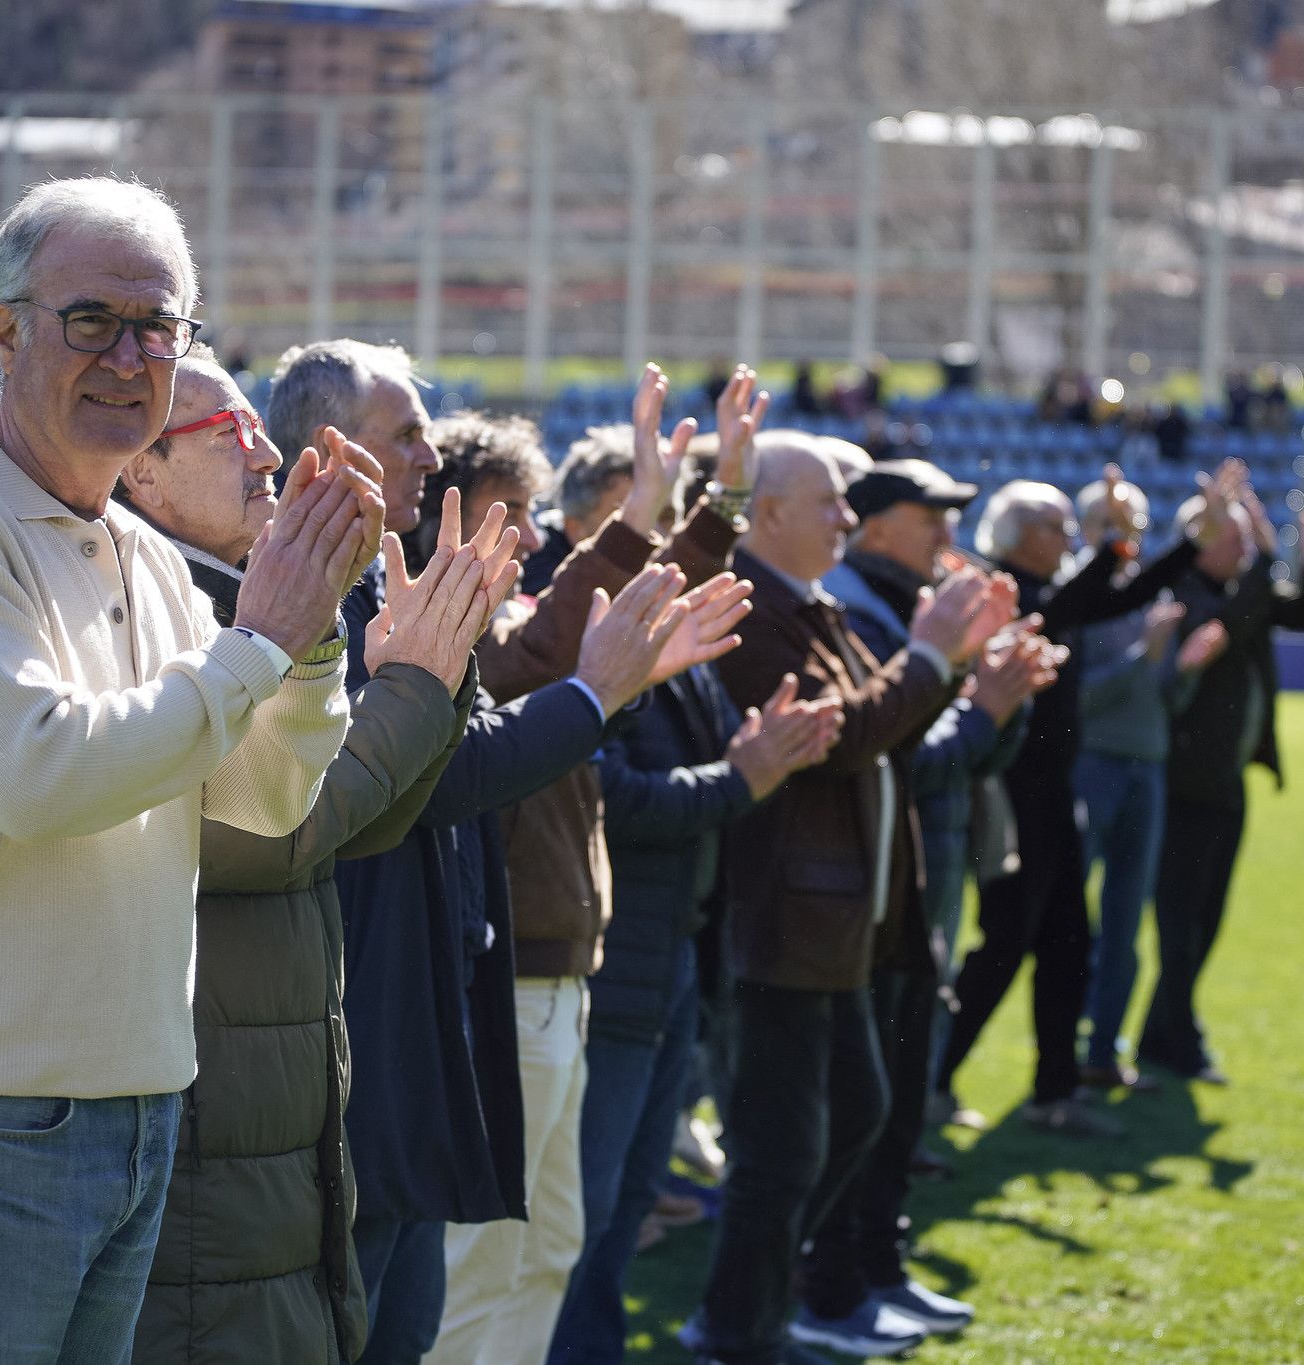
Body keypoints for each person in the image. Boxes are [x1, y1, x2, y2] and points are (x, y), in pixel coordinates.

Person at [0, 178, 372, 1362]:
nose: (131, 356)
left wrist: (312, 636)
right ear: (4, 329)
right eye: (94, 319)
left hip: (139, 1099)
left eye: (160, 329)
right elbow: (44, 777)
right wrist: (259, 643)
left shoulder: (146, 551)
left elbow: (261, 795)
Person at [266, 341, 733, 1365]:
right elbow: (448, 768)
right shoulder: (306, 596)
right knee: (383, 1310)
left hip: (441, 996)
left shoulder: (378, 589)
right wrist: (597, 692)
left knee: (454, 1289)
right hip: (374, 1007)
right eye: (407, 436)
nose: (428, 457)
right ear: (331, 445)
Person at [113, 348, 517, 1362]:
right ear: (141, 473)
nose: (260, 449)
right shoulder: (150, 612)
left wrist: (428, 673)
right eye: (227, 431)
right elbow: (276, 834)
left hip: (287, 1079)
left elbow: (367, 817)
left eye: (258, 425)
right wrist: (420, 684)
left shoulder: (259, 596)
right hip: (206, 1095)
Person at [428, 368, 758, 1365]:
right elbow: (570, 632)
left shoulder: (516, 628)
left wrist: (715, 508)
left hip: (566, 977)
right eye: (509, 517)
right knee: (482, 1263)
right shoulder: (445, 644)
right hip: (507, 981)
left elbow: (627, 608)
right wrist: (657, 506)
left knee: (551, 1246)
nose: (530, 540)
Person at [684, 430, 1002, 1365]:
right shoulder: (749, 608)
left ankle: (756, 1311)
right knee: (785, 1150)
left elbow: (877, 730)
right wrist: (936, 658)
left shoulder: (811, 604)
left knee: (852, 1115)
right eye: (829, 501)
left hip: (835, 919)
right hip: (782, 920)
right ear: (767, 512)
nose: (848, 518)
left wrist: (957, 673)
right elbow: (842, 736)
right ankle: (740, 1326)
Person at [546, 373, 845, 1365]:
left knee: (627, 1199)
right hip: (613, 957)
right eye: (639, 524)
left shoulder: (649, 628)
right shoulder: (567, 639)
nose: (657, 547)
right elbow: (619, 799)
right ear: (588, 525)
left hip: (667, 951)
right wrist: (744, 776)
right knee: (580, 1217)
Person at [804, 458, 1065, 1347]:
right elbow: (901, 757)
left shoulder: (904, 606)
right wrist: (984, 700)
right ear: (875, 527)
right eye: (931, 517)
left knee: (902, 1098)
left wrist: (1003, 696)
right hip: (878, 899)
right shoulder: (859, 611)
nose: (949, 534)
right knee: (868, 1104)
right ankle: (841, 1278)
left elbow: (972, 756)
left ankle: (880, 1264)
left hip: (920, 892)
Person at [935, 463, 1240, 1136]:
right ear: (1017, 533)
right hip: (1012, 789)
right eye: (1055, 526)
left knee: (1068, 939)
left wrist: (1189, 541)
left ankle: (1053, 1089)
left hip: (1052, 789)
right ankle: (933, 1078)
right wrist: (1120, 545)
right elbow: (1077, 602)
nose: (1067, 534)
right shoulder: (1002, 590)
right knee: (1008, 941)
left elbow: (1114, 598)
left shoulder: (1053, 587)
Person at [1139, 485, 1304, 1085]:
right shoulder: (1183, 595)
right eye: (1235, 538)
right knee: (1179, 924)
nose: (1246, 549)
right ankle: (1180, 1039)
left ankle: (1161, 1035)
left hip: (1224, 782)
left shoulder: (1236, 594)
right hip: (1179, 783)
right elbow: (1227, 624)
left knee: (1206, 920)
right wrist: (1271, 552)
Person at [1068, 477, 1228, 1094]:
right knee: (1066, 924)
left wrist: (1183, 668)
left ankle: (1104, 1053)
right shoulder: (1076, 597)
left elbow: (1160, 700)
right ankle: (1059, 1056)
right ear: (1088, 530)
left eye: (1134, 526)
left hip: (1147, 769)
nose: (1126, 537)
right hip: (1093, 767)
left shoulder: (1145, 597)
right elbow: (1077, 700)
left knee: (1125, 922)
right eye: (1114, 524)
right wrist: (1145, 653)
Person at [523, 424, 635, 594]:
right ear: (575, 528)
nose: (649, 531)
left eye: (664, 515)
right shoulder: (540, 581)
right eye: (624, 517)